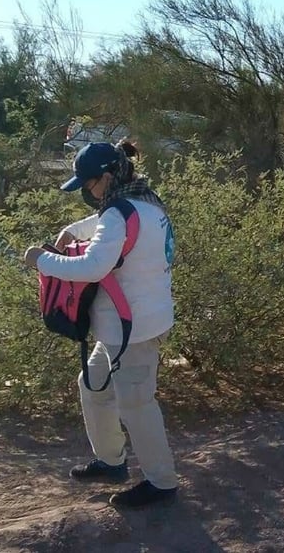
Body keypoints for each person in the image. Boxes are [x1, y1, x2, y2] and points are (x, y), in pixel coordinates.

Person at [22, 140, 178, 508]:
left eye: (88, 184)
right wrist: (74, 230)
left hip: (133, 331)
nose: (87, 193)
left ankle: (162, 482)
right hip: (129, 326)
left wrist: (41, 260)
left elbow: (92, 267)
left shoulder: (119, 213)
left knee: (137, 404)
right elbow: (115, 220)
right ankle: (112, 461)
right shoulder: (146, 202)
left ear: (106, 177)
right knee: (92, 385)